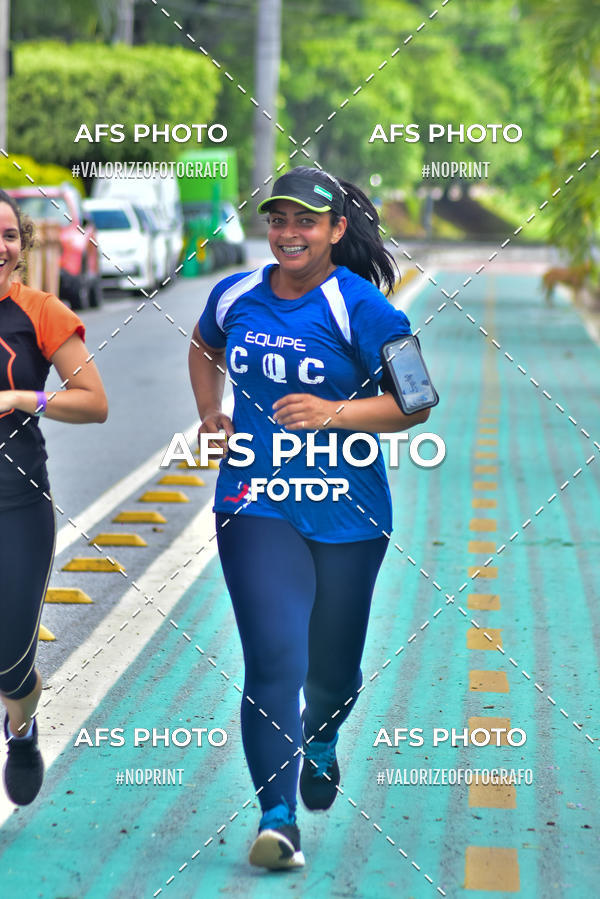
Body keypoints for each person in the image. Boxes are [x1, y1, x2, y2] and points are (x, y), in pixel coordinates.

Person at [188, 166, 432, 870]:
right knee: (274, 658)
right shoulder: (234, 293)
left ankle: (320, 735)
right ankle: (277, 816)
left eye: (305, 221)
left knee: (331, 671)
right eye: (278, 220)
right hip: (252, 503)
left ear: (334, 231)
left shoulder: (365, 310)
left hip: (348, 513)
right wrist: (210, 411)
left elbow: (417, 401)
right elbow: (204, 346)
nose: (288, 233)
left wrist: (334, 413)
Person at [0, 189, 108, 805]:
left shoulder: (41, 313)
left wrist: (23, 400)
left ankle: (21, 726)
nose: (0, 246)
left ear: (22, 244)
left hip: (17, 506)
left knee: (11, 663)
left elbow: (94, 402)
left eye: (10, 234)